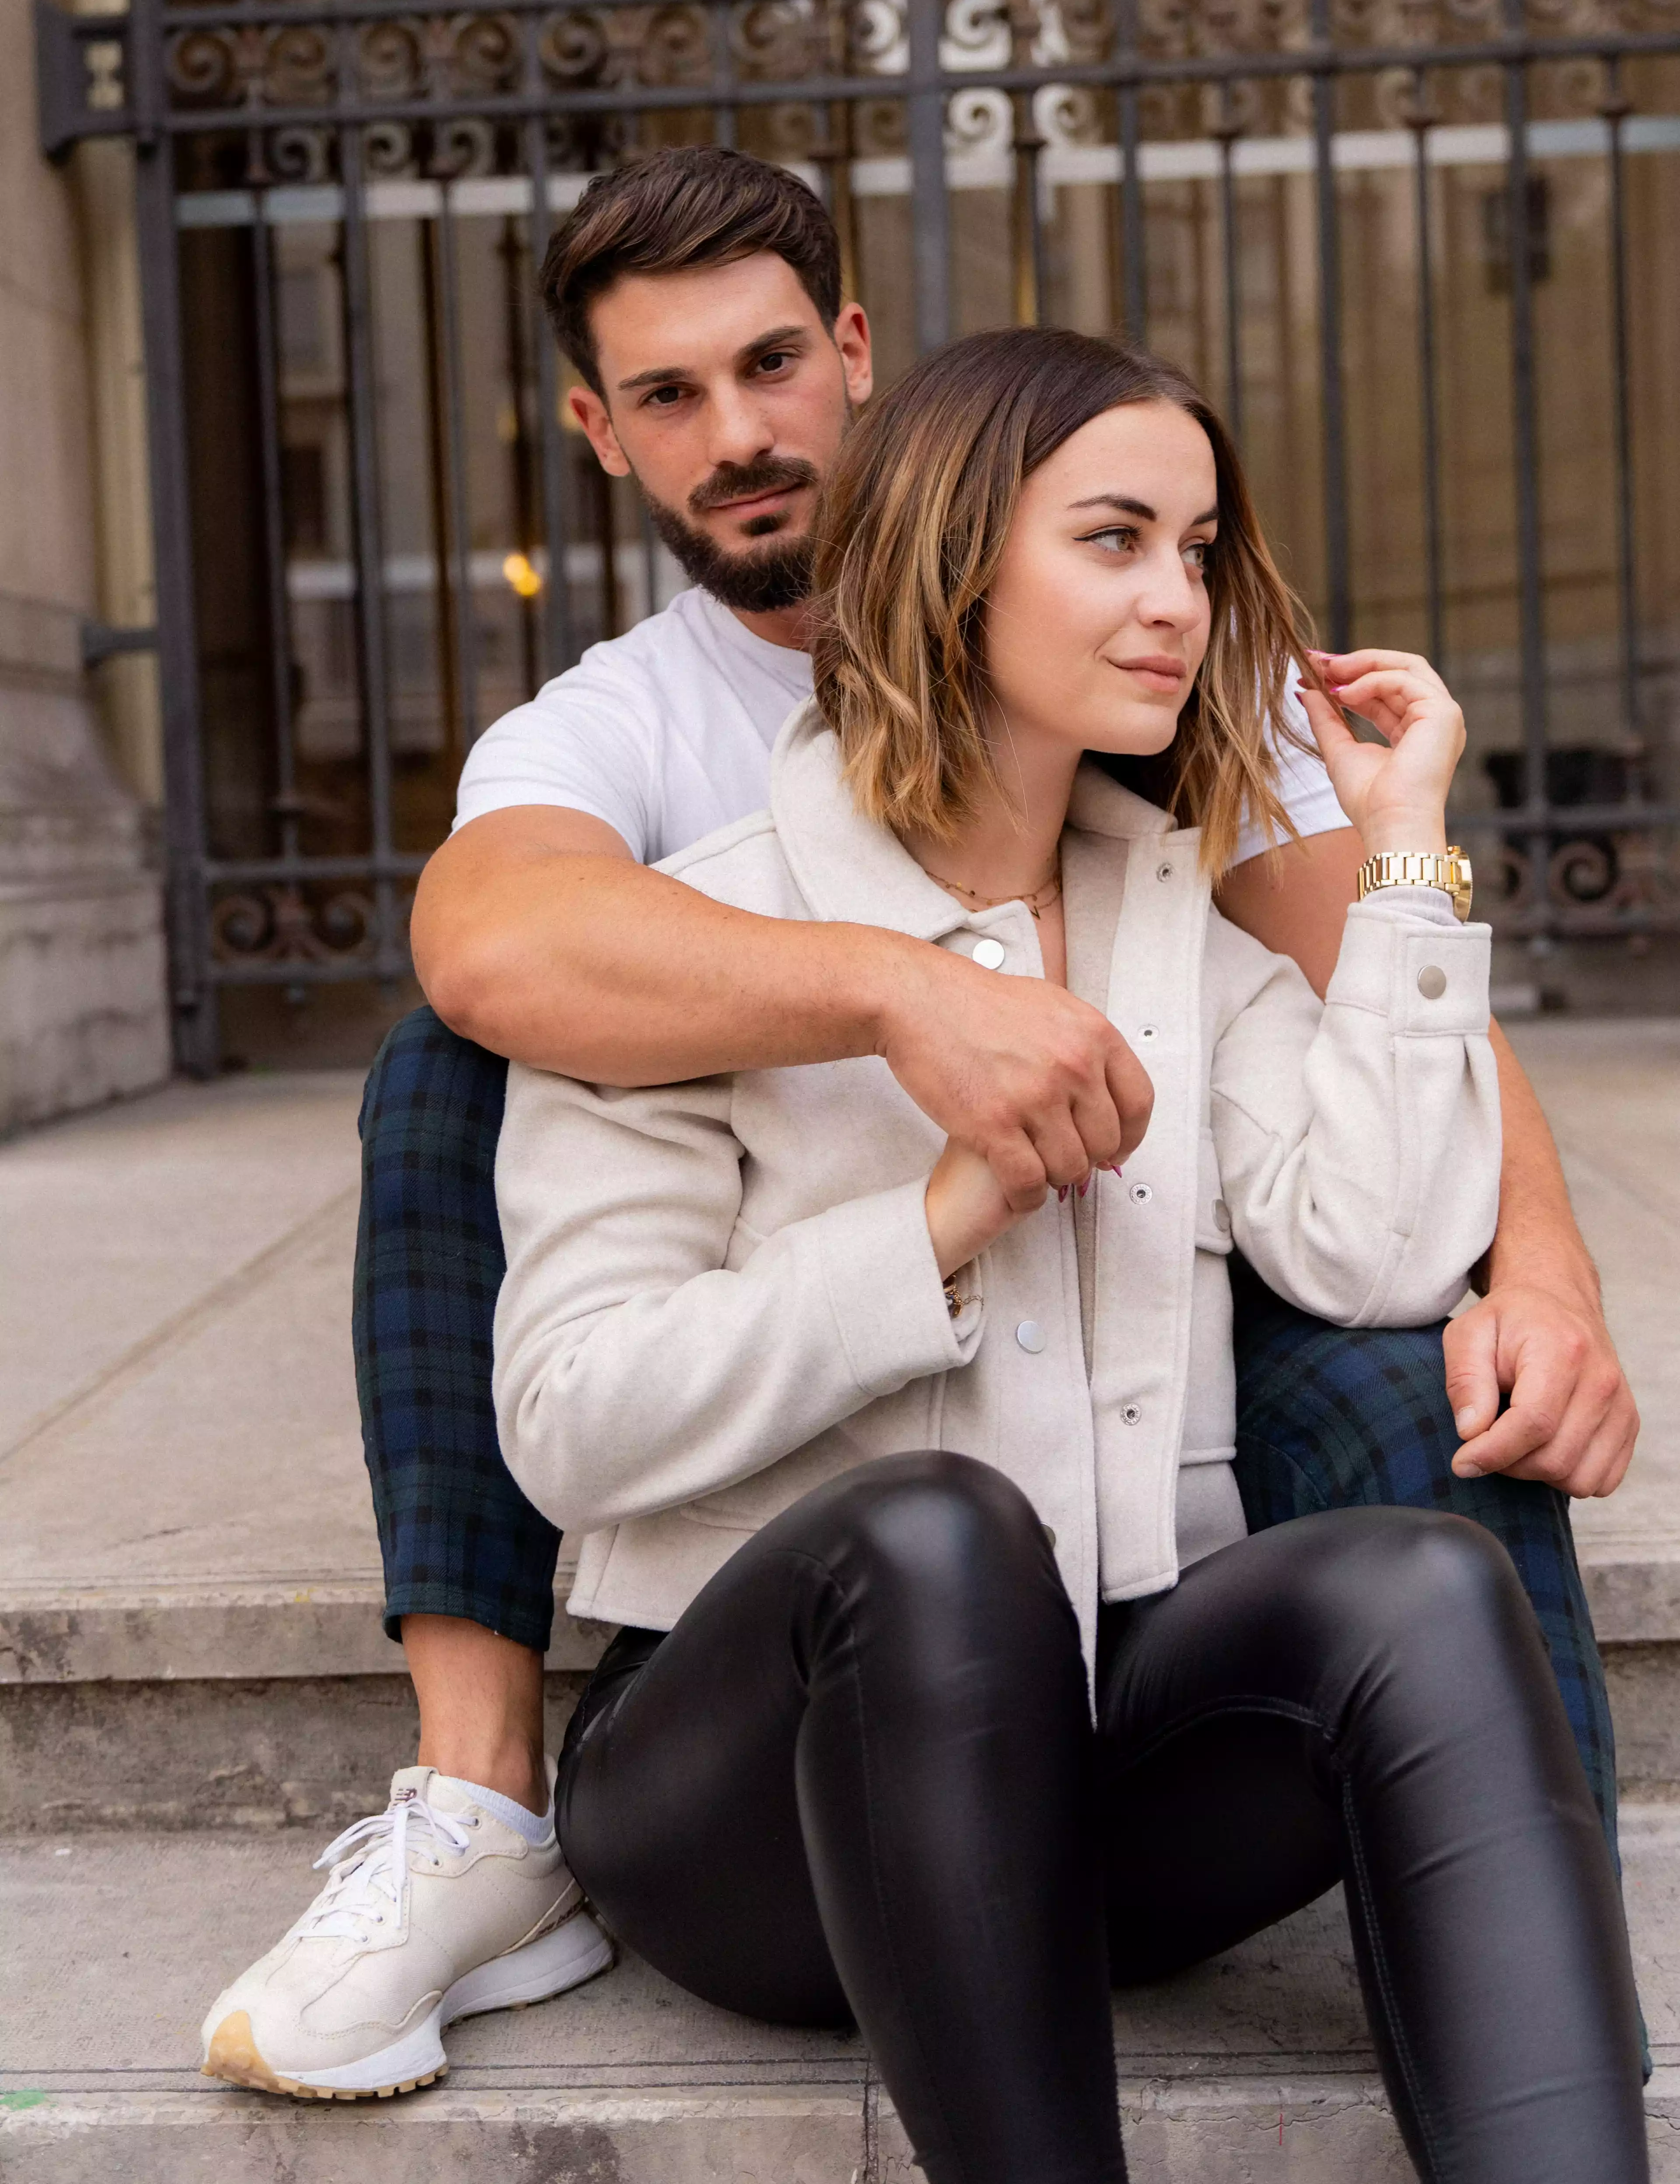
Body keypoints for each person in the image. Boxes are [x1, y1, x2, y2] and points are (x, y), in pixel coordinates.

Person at [199, 148, 1636, 2104]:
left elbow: (1388, 1044)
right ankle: (478, 1796)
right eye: (668, 397)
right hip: (794, 1682)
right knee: (477, 1102)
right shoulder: (631, 738)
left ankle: (1529, 1957)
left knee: (1419, 1451)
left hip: (1114, 1589)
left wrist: (1529, 1241)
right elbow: (488, 954)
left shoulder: (1173, 777)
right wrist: (910, 1014)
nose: (739, 434)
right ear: (597, 431)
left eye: (771, 364)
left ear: (857, 356)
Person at [490, 327, 1647, 2184]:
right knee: (931, 1533)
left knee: (1425, 1587)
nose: (1173, 600)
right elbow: (568, 1422)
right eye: (1111, 539)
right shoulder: (702, 935)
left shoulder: (1172, 919)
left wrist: (1406, 854)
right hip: (758, 1818)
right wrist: (938, 1222)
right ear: (955, 559)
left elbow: (1376, 1247)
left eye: (1193, 549)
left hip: (1097, 1777)